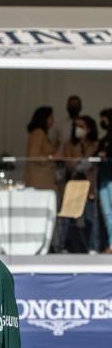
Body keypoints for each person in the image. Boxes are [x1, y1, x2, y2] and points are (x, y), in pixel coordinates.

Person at [63, 115, 100, 253]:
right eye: (76, 126)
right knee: (68, 218)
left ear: (89, 129)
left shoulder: (94, 144)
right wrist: (78, 161)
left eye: (81, 126)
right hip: (72, 185)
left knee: (91, 217)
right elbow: (68, 163)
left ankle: (93, 246)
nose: (78, 129)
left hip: (89, 186)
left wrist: (79, 161)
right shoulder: (69, 144)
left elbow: (91, 161)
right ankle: (64, 245)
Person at [24, 106, 59, 192]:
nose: (53, 120)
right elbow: (34, 155)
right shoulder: (38, 133)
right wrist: (51, 157)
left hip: (43, 180)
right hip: (39, 181)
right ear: (44, 118)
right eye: (51, 117)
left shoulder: (42, 134)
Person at [98, 108, 112, 253]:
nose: (102, 122)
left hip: (110, 179)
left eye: (104, 119)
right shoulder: (104, 139)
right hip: (103, 178)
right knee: (107, 213)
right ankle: (110, 243)